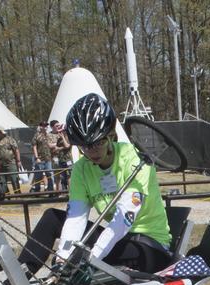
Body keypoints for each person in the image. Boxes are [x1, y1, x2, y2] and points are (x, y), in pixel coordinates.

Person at [54, 93, 172, 274]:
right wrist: (62, 258)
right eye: (85, 146)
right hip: (118, 241)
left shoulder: (135, 159)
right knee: (52, 219)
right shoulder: (81, 169)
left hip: (150, 246)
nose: (92, 151)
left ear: (111, 135)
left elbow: (123, 218)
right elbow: (75, 219)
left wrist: (92, 258)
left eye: (98, 143)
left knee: (82, 263)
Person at [0, 127, 22, 198]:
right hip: (0, 164)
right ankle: (5, 196)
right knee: (2, 181)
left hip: (11, 163)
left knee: (14, 179)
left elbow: (16, 150)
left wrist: (18, 161)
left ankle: (18, 195)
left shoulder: (10, 139)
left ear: (2, 132)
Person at [32, 121, 55, 192]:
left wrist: (56, 144)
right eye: (43, 125)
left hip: (48, 158)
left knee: (50, 175)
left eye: (46, 126)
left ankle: (51, 191)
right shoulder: (36, 135)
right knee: (38, 176)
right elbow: (34, 147)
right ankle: (37, 190)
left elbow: (50, 145)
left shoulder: (48, 135)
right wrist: (37, 158)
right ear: (40, 127)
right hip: (40, 159)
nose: (45, 127)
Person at [51, 119, 72, 191]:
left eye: (62, 131)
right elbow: (56, 148)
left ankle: (70, 192)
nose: (61, 132)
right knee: (62, 176)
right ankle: (62, 191)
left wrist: (62, 137)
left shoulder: (69, 137)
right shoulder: (59, 138)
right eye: (60, 131)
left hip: (68, 160)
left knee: (69, 176)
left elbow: (67, 146)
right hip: (61, 159)